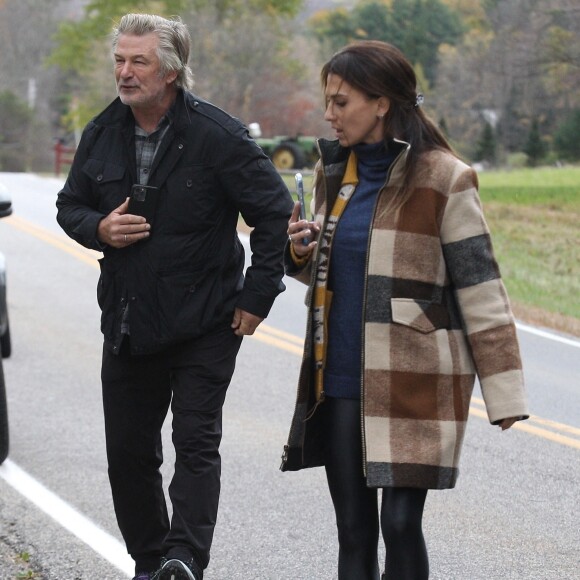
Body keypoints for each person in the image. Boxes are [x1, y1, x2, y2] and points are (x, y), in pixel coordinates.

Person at [280, 40, 529, 580]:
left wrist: (504, 393)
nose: (329, 114)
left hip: (416, 380)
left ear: (382, 103)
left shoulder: (445, 177)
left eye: (341, 102)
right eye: (328, 101)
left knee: (398, 524)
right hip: (340, 377)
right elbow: (334, 270)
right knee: (354, 531)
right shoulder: (335, 176)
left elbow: (481, 291)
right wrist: (302, 250)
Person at [56, 13, 293, 580]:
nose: (125, 71)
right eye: (120, 59)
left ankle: (185, 559)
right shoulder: (101, 132)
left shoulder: (218, 134)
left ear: (170, 70)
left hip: (206, 321)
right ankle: (150, 562)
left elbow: (274, 215)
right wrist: (98, 229)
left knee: (195, 444)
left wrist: (257, 297)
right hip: (129, 320)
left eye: (139, 61)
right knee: (130, 455)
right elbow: (70, 206)